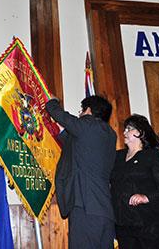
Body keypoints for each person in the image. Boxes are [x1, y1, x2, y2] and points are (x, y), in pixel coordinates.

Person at [46, 95, 116, 249]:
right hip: (105, 211)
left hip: (86, 208)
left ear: (88, 110)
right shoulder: (110, 134)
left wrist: (52, 102)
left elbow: (61, 115)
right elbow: (82, 149)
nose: (80, 114)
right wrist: (62, 133)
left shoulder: (87, 125)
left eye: (81, 111)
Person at [110, 114, 159, 249]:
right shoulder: (117, 157)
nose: (125, 132)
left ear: (140, 132)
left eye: (129, 129)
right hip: (122, 225)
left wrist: (146, 197)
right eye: (125, 129)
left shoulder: (152, 155)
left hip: (148, 224)